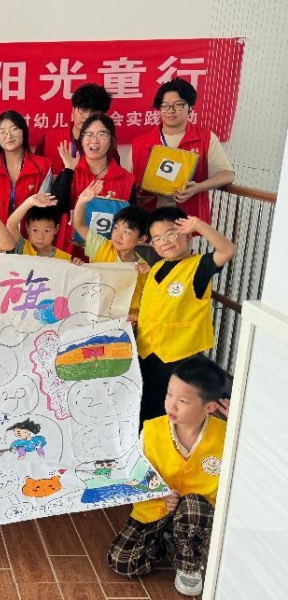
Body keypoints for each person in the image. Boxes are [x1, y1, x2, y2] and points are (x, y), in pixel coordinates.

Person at [108, 356, 229, 597]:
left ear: (209, 407)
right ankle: (167, 540)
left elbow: (254, 468)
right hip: (156, 506)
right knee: (122, 562)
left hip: (196, 515)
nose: (171, 405)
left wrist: (242, 424)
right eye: (169, 394)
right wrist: (159, 494)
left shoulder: (227, 435)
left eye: (182, 401)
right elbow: (136, 476)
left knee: (193, 506)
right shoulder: (152, 429)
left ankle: (189, 564)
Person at [137, 207, 236, 425]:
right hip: (147, 351)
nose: (165, 242)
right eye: (157, 239)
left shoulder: (199, 266)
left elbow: (228, 250)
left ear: (187, 234)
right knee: (144, 405)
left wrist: (199, 224)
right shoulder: (156, 268)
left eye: (171, 234)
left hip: (179, 357)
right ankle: (144, 441)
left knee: (167, 412)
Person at [130, 77, 235, 223]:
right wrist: (135, 196)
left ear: (190, 106)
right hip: (148, 219)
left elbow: (227, 175)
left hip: (188, 219)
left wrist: (198, 187)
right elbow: (128, 183)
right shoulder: (140, 143)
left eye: (178, 105)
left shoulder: (205, 138)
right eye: (165, 105)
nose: (171, 111)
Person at [52, 114, 136, 258]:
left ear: (112, 141)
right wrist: (68, 171)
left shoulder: (126, 179)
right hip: (68, 254)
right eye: (88, 134)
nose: (94, 140)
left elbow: (132, 223)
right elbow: (55, 211)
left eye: (101, 135)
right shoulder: (70, 172)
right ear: (81, 140)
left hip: (106, 256)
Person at [73, 181, 151, 315]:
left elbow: (146, 301)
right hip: (90, 313)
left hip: (120, 321)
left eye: (127, 232)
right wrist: (81, 201)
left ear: (142, 239)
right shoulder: (101, 246)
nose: (118, 235)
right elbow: (79, 225)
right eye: (116, 228)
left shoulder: (143, 268)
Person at [0, 110, 52, 234]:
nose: (8, 136)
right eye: (2, 132)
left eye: (14, 129)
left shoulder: (43, 166)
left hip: (29, 238)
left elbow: (42, 208)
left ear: (23, 131)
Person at [35, 83, 117, 176]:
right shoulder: (50, 138)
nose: (87, 116)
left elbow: (114, 176)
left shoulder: (106, 143)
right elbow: (36, 175)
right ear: (73, 109)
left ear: (103, 116)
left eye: (94, 112)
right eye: (83, 110)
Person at [7, 194, 73, 260]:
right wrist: (29, 202)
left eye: (47, 231)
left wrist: (77, 263)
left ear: (56, 229)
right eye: (35, 230)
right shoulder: (22, 247)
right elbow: (11, 225)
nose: (40, 237)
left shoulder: (64, 258)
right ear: (27, 227)